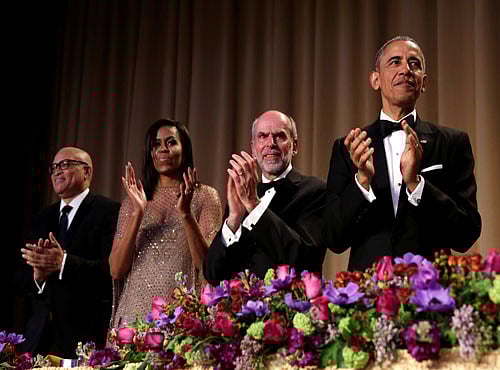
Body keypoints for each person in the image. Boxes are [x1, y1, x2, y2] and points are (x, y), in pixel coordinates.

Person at [324, 36, 481, 272]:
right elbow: (334, 239)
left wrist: (416, 184)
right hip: (368, 296)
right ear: (375, 79)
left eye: (414, 64)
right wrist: (362, 181)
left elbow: (466, 234)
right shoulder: (348, 147)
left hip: (431, 294)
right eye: (395, 62)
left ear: (424, 82)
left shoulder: (453, 143)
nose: (406, 70)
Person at [110, 119, 222, 327]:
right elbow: (116, 270)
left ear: (184, 149)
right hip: (134, 312)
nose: (163, 149)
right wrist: (138, 213)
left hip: (180, 311)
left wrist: (186, 214)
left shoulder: (205, 197)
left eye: (171, 142)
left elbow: (207, 265)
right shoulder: (134, 202)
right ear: (150, 152)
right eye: (156, 144)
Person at [203, 110, 327, 283]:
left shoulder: (315, 190)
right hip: (240, 308)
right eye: (263, 136)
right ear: (253, 148)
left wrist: (254, 205)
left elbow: (304, 259)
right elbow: (213, 275)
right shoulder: (242, 194)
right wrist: (233, 220)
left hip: (289, 307)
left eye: (280, 136)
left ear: (295, 146)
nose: (271, 143)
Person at [19, 147, 120, 357]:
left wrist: (64, 262)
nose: (57, 171)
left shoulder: (109, 211)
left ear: (87, 172)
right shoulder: (42, 217)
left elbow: (111, 270)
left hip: (85, 337)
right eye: (54, 167)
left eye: (65, 165)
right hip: (40, 338)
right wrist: (38, 277)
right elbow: (20, 276)